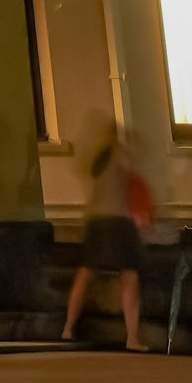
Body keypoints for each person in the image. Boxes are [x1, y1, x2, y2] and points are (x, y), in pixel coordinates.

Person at [60, 114, 153, 351]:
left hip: (95, 221)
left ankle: (68, 328)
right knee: (130, 277)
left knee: (85, 273)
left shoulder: (94, 158)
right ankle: (132, 337)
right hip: (118, 220)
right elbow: (134, 177)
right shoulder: (119, 154)